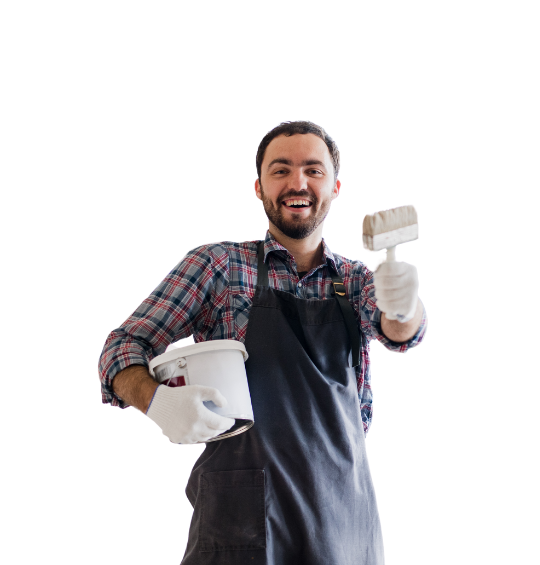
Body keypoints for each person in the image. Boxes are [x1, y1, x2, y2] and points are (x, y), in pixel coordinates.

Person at [97, 120, 427, 564]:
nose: (298, 183)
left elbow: (397, 334)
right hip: (243, 522)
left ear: (336, 187)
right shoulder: (217, 265)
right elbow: (122, 346)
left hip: (343, 522)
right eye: (280, 170)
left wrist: (405, 308)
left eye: (314, 170)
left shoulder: (358, 279)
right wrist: (157, 401)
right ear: (258, 187)